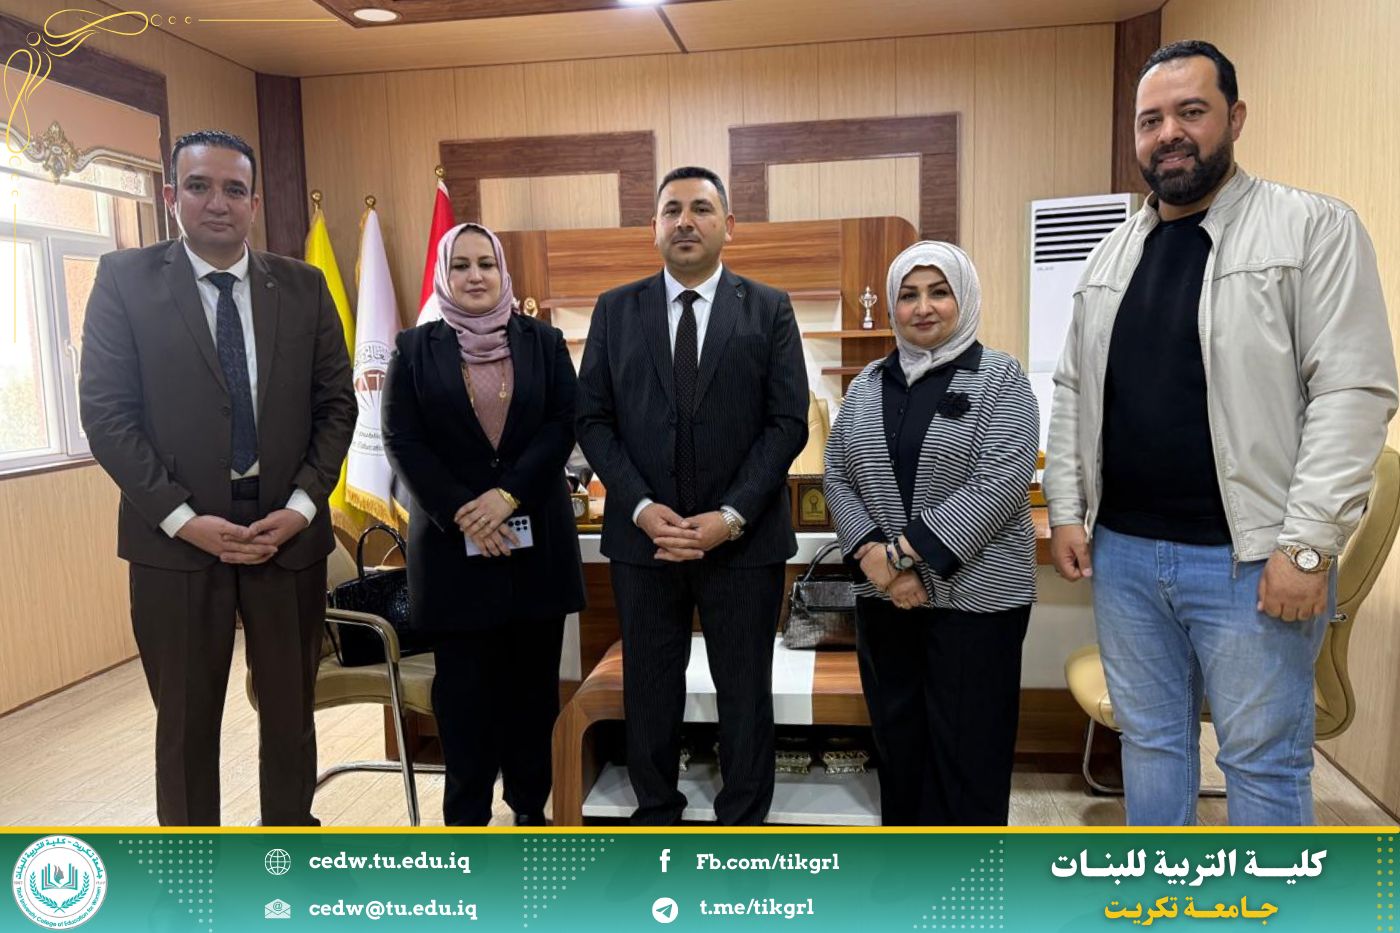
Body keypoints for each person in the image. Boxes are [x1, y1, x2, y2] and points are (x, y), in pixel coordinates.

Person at [1044, 40, 1397, 825]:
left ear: (1234, 118)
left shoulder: (1312, 229)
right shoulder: (1111, 253)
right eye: (1151, 120)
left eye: (1191, 111)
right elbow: (1073, 390)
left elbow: (1353, 392)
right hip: (1126, 556)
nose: (1169, 133)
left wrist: (1307, 547)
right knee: (1151, 744)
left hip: (1251, 559)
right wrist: (1067, 508)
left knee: (1261, 761)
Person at [79, 129, 356, 826]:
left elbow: (337, 405)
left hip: (285, 536)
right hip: (173, 541)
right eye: (200, 186)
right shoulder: (124, 281)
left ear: (255, 203)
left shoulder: (304, 285)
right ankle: (193, 870)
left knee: (290, 714)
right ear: (171, 195)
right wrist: (181, 518)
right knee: (184, 723)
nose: (218, 202)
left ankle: (287, 850)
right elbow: (108, 415)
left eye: (235, 189)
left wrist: (302, 506)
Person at [576, 166, 809, 825]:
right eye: (671, 209)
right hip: (644, 541)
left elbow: (787, 422)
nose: (685, 220)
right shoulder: (616, 309)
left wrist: (730, 516)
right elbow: (592, 419)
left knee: (745, 691)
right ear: (652, 228)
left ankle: (742, 824)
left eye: (701, 209)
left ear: (728, 225)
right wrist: (641, 506)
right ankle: (656, 815)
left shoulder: (769, 308)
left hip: (744, 543)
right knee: (650, 689)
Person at [823, 241, 1038, 826]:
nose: (923, 307)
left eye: (939, 292)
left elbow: (1001, 481)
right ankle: (908, 868)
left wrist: (900, 556)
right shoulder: (867, 383)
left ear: (963, 298)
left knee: (970, 753)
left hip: (977, 602)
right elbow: (837, 474)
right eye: (909, 294)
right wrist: (875, 559)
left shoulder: (1001, 378)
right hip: (883, 603)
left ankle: (967, 877)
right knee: (899, 747)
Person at [383, 222, 584, 826]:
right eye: (462, 265)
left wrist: (507, 495)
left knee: (534, 693)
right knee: (464, 698)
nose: (475, 276)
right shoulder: (413, 348)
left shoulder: (544, 342)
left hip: (535, 549)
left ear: (503, 272)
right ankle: (466, 822)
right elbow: (402, 439)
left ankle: (529, 810)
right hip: (453, 552)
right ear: (444, 275)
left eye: (486, 264)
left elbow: (563, 424)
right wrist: (465, 511)